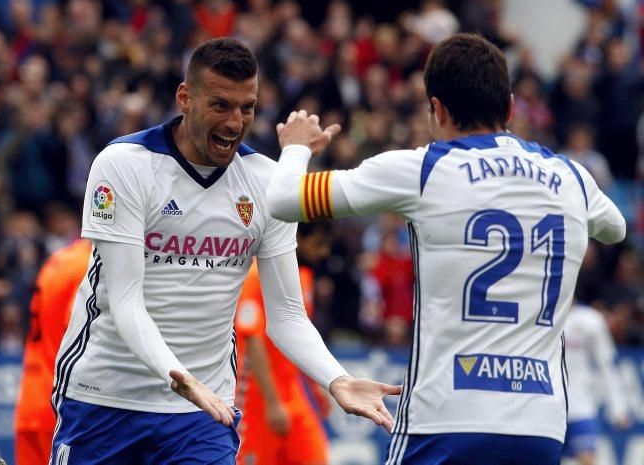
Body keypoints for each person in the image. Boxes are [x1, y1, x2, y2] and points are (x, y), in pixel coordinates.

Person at [265, 33, 626, 465]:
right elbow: (615, 228)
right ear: (510, 106)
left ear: (436, 109)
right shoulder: (571, 175)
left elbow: (283, 201)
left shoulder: (422, 169)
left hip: (446, 420)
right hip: (540, 426)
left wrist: (296, 149)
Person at [50, 37, 400, 465]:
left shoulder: (267, 183)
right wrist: (179, 377)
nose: (236, 122)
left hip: (202, 411)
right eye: (221, 105)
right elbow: (125, 301)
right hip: (105, 396)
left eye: (247, 108)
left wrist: (336, 379)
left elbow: (287, 316)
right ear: (185, 98)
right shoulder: (124, 164)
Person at [235, 221, 334, 465]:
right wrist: (271, 402)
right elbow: (252, 339)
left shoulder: (304, 277)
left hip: (293, 395)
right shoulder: (256, 278)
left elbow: (302, 340)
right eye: (318, 244)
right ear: (297, 236)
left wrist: (318, 384)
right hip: (257, 401)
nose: (324, 253)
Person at [13, 238, 91, 465]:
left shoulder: (59, 259)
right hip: (60, 408)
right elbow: (79, 334)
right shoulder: (90, 264)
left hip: (30, 400)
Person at [562, 302, 630, 465]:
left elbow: (605, 364)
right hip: (547, 406)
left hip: (580, 404)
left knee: (587, 459)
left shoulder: (590, 320)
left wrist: (618, 407)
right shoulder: (539, 312)